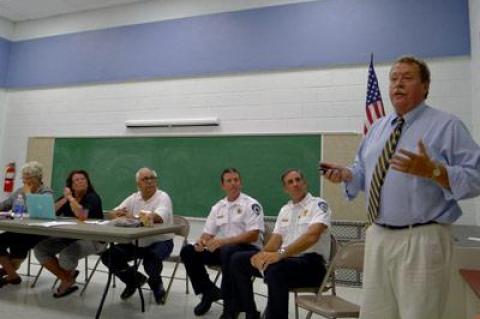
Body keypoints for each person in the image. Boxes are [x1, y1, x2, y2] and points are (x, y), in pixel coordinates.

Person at [321, 56, 480, 319]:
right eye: (394, 78)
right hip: (379, 235)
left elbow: (476, 175)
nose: (398, 84)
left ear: (426, 86)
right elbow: (363, 170)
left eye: (407, 78)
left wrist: (434, 171)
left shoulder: (447, 126)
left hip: (421, 238)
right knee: (375, 313)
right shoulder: (377, 128)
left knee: (419, 313)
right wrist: (347, 174)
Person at [230, 169, 331, 319]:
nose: (295, 184)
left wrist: (280, 254)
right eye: (290, 182)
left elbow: (312, 236)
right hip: (287, 261)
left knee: (275, 268)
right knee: (238, 260)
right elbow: (275, 240)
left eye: (298, 180)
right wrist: (261, 255)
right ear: (285, 189)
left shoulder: (318, 205)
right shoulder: (285, 210)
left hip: (313, 265)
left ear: (305, 183)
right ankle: (250, 311)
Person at [180, 168, 265, 318]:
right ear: (223, 185)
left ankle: (230, 307)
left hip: (248, 250)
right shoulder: (218, 207)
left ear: (241, 183)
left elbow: (253, 235)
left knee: (227, 251)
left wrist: (222, 242)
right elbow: (208, 232)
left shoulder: (250, 204)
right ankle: (208, 292)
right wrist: (202, 241)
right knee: (188, 251)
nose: (233, 184)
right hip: (226, 249)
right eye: (229, 181)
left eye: (236, 180)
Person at [100, 167, 174, 304]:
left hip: (160, 242)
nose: (150, 181)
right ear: (138, 184)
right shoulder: (134, 197)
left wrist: (131, 216)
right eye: (145, 179)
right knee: (108, 256)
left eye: (152, 178)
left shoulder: (163, 197)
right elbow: (112, 213)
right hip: (136, 243)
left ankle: (157, 285)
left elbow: (156, 218)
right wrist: (117, 214)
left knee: (151, 260)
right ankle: (134, 280)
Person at [34, 169, 105, 298]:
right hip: (69, 237)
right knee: (40, 249)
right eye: (76, 180)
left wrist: (71, 198)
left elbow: (82, 215)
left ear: (88, 182)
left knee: (66, 256)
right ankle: (67, 278)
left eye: (83, 179)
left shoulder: (92, 197)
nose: (81, 182)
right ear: (71, 185)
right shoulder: (69, 197)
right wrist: (65, 198)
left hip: (93, 239)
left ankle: (67, 278)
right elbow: (51, 211)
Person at [0, 161, 53, 287]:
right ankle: (12, 274)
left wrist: (28, 194)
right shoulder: (19, 191)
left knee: (19, 242)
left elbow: (38, 211)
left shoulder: (46, 192)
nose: (26, 182)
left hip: (36, 232)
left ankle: (10, 272)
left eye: (30, 179)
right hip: (19, 229)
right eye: (24, 179)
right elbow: (5, 205)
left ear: (38, 178)